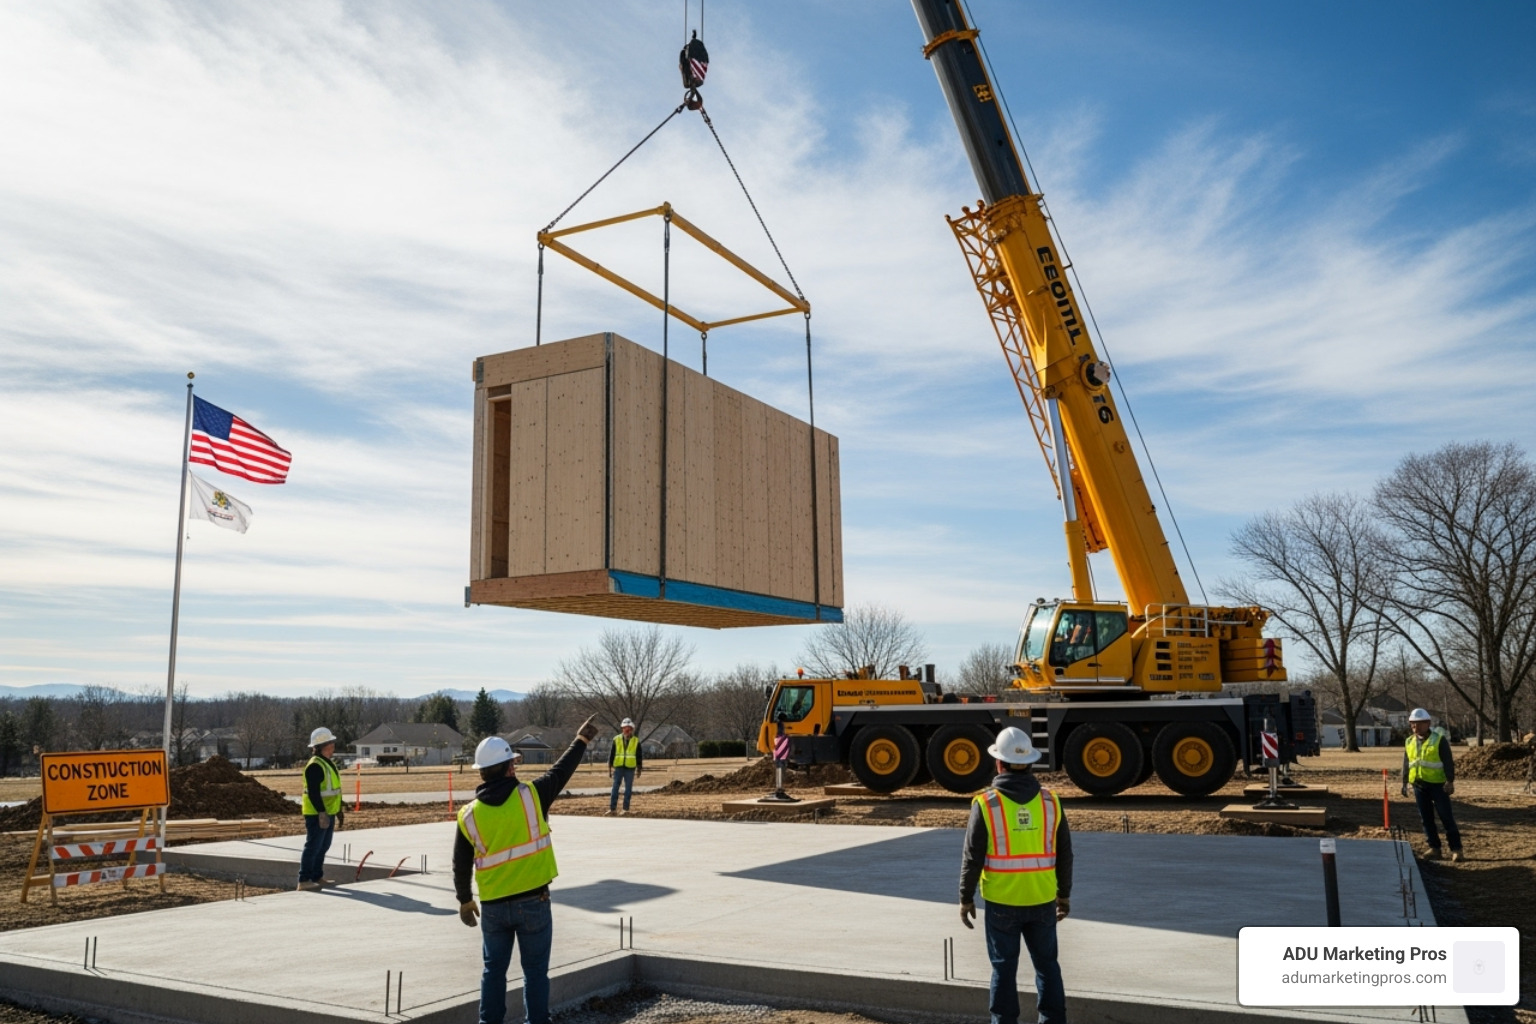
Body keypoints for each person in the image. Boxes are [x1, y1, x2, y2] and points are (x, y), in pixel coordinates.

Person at [456, 715, 599, 1024]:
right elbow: (561, 772)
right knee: (534, 972)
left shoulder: (468, 815)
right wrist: (581, 740)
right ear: (509, 768)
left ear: (481, 772)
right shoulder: (532, 796)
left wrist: (465, 899)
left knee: (493, 971)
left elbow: (461, 861)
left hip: (493, 907)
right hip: (534, 902)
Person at [960, 726, 1072, 1024]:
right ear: (1030, 763)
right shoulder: (1051, 802)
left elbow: (972, 857)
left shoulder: (986, 804)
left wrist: (965, 897)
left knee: (1003, 969)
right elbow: (1065, 854)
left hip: (1002, 903)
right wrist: (1064, 895)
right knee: (1047, 967)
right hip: (1042, 900)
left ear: (999, 763)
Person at [1401, 708, 1463, 862]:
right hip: (1419, 785)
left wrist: (1450, 780)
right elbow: (1407, 763)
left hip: (1438, 786)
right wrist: (1404, 782)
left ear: (1428, 723)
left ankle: (1456, 849)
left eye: (1419, 723)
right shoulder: (1409, 741)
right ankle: (1435, 848)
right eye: (1413, 724)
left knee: (1446, 817)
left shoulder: (1439, 740)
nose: (1415, 727)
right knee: (1426, 819)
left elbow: (1448, 762)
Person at [298, 726, 344, 891]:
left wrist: (338, 810)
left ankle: (317, 876)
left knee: (323, 846)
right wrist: (321, 812)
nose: (333, 746)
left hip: (328, 811)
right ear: (323, 746)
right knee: (313, 846)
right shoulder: (315, 766)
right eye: (330, 743)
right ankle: (304, 879)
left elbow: (333, 789)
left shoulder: (327, 763)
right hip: (316, 813)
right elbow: (314, 793)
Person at [607, 718, 643, 816]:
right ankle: (612, 809)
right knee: (615, 788)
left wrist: (639, 769)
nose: (627, 731)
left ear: (632, 729)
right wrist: (609, 768)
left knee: (628, 789)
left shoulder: (636, 741)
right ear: (622, 729)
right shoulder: (616, 739)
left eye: (629, 729)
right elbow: (612, 754)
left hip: (630, 768)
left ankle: (625, 809)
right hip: (618, 767)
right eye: (625, 728)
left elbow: (639, 756)